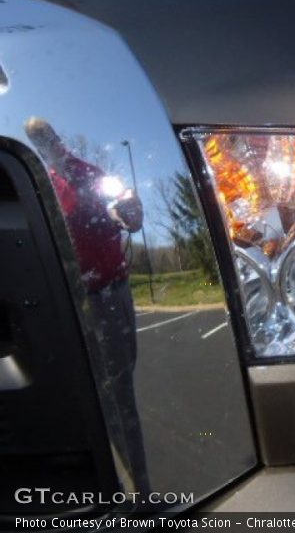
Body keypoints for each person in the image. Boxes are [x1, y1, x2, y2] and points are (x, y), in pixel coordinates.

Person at [25, 117, 150, 496]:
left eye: (48, 135)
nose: (48, 142)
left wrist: (128, 213)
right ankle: (128, 492)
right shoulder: (43, 183)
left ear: (56, 137)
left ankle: (137, 491)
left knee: (120, 388)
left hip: (114, 289)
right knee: (103, 395)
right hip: (79, 298)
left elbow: (117, 212)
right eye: (37, 138)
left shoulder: (88, 171)